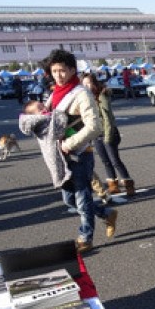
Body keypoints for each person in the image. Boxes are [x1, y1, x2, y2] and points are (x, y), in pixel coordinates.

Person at [45, 48, 118, 254]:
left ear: (71, 70)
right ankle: (105, 213)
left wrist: (69, 143)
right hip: (60, 156)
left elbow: (94, 126)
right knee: (69, 199)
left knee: (81, 196)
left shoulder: (81, 93)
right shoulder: (54, 94)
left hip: (79, 153)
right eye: (54, 71)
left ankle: (85, 237)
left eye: (62, 70)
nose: (58, 75)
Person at [82, 72, 136, 197]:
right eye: (84, 84)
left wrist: (107, 137)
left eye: (89, 83)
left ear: (94, 83)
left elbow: (107, 118)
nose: (87, 86)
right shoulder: (86, 99)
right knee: (105, 161)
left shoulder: (102, 96)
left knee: (115, 160)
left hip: (109, 132)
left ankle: (129, 184)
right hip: (96, 134)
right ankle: (113, 185)